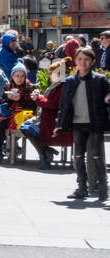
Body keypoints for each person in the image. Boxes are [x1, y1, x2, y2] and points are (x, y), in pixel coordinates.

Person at [54, 46, 110, 201]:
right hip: (77, 122)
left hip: (95, 123)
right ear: (75, 62)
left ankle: (103, 188)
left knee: (97, 155)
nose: (83, 62)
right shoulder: (70, 81)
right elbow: (64, 104)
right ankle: (81, 187)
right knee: (78, 156)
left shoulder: (100, 80)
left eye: (86, 59)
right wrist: (59, 123)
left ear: (92, 61)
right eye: (79, 59)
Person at [0, 63, 37, 162]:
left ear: (25, 76)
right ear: (12, 76)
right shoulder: (8, 86)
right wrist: (9, 98)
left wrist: (20, 99)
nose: (19, 78)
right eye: (17, 76)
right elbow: (4, 102)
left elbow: (33, 107)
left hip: (23, 115)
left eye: (22, 76)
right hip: (9, 113)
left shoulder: (29, 88)